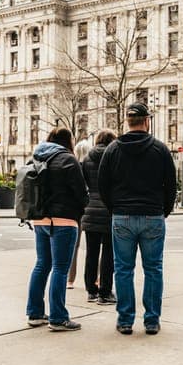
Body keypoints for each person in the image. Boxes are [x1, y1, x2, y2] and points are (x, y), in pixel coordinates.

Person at [98, 102, 177, 335]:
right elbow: (171, 185)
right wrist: (164, 210)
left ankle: (125, 319)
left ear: (128, 122)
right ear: (147, 121)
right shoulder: (160, 150)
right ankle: (151, 320)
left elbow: (102, 185)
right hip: (153, 215)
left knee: (123, 270)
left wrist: (114, 208)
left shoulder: (113, 149)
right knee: (153, 269)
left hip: (122, 215)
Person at [25, 127, 88, 331]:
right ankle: (58, 317)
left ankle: (35, 313)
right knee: (60, 268)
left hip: (40, 220)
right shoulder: (68, 160)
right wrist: (80, 208)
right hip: (64, 220)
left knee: (42, 265)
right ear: (67, 141)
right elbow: (81, 191)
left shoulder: (35, 158)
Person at [81, 129, 118, 305]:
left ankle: (91, 290)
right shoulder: (114, 157)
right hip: (109, 211)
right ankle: (105, 291)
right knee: (109, 254)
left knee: (91, 253)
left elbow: (84, 184)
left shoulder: (87, 159)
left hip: (90, 210)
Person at [67, 137, 93, 289]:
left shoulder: (73, 165)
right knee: (93, 247)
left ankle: (70, 279)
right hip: (92, 208)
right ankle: (94, 279)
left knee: (73, 246)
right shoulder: (94, 165)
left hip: (76, 209)